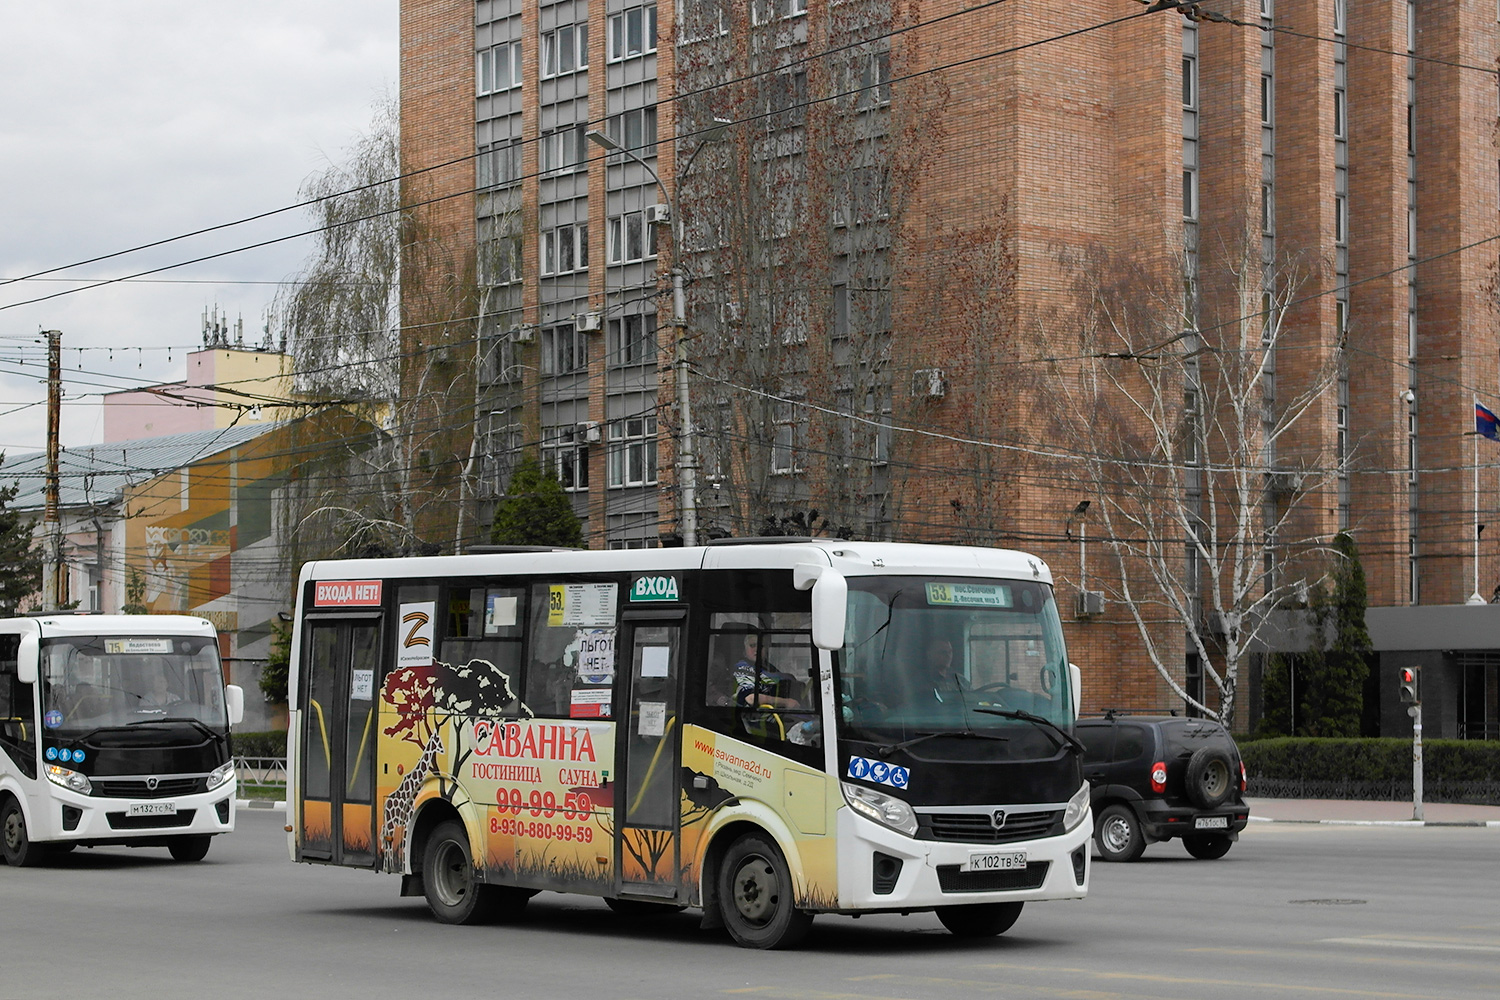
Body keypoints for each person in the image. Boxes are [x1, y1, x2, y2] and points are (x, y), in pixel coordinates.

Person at [732, 634, 802, 710]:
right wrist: (786, 702)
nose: (757, 649)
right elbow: (751, 698)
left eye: (761, 646)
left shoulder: (766, 666)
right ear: (744, 651)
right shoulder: (742, 668)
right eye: (752, 645)